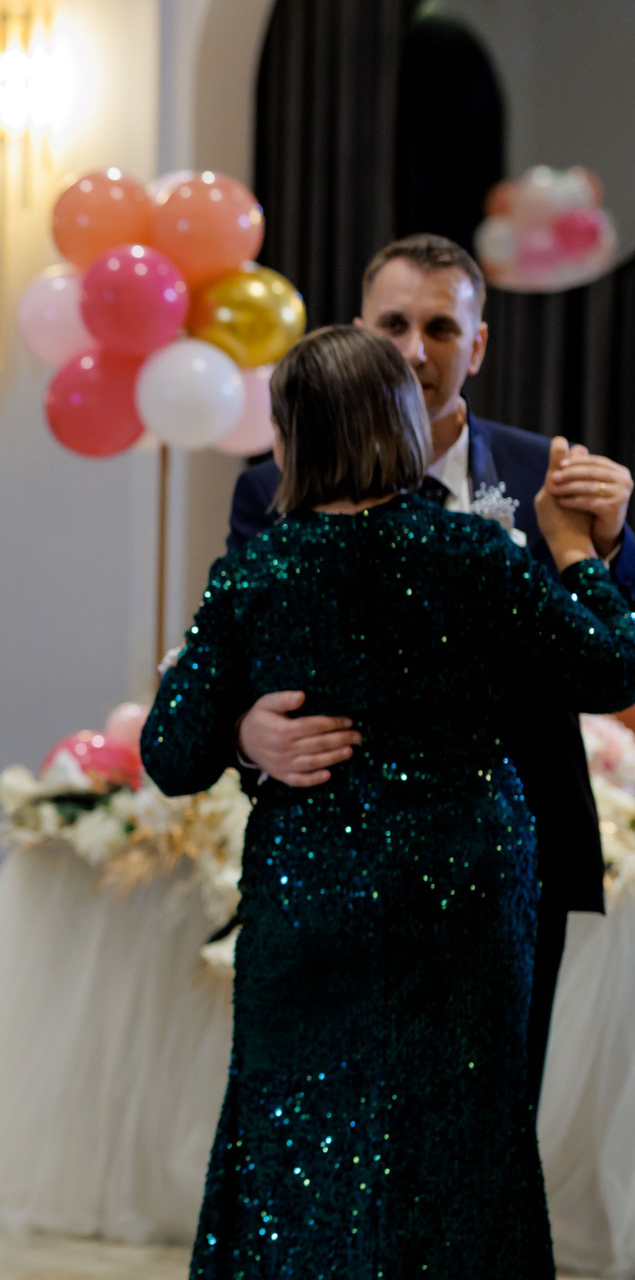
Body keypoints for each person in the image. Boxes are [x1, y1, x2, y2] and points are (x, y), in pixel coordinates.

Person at [144, 324, 635, 1277]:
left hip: (309, 893)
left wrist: (239, 729)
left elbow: (169, 755)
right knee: (460, 1138)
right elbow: (614, 665)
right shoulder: (475, 554)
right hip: (463, 897)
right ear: (404, 425)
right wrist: (578, 552)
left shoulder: (256, 573)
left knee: (294, 1138)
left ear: (290, 436)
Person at [225, 234, 635, 1095]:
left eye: (441, 328)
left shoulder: (547, 474)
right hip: (337, 859)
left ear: (477, 345)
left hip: (513, 856)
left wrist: (605, 545)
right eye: (395, 324)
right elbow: (233, 658)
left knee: (493, 1112)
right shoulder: (273, 486)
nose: (416, 350)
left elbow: (612, 655)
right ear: (359, 334)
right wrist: (246, 730)